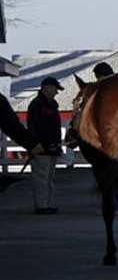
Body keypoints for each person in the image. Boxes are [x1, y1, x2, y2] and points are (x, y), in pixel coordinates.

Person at [28, 77, 65, 215]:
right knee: (41, 178)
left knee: (48, 178)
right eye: (55, 89)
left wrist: (56, 144)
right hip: (41, 148)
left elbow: (53, 128)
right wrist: (41, 144)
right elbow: (36, 128)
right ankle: (41, 206)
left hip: (51, 148)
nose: (56, 92)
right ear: (47, 87)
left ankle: (47, 204)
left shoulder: (51, 104)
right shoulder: (36, 105)